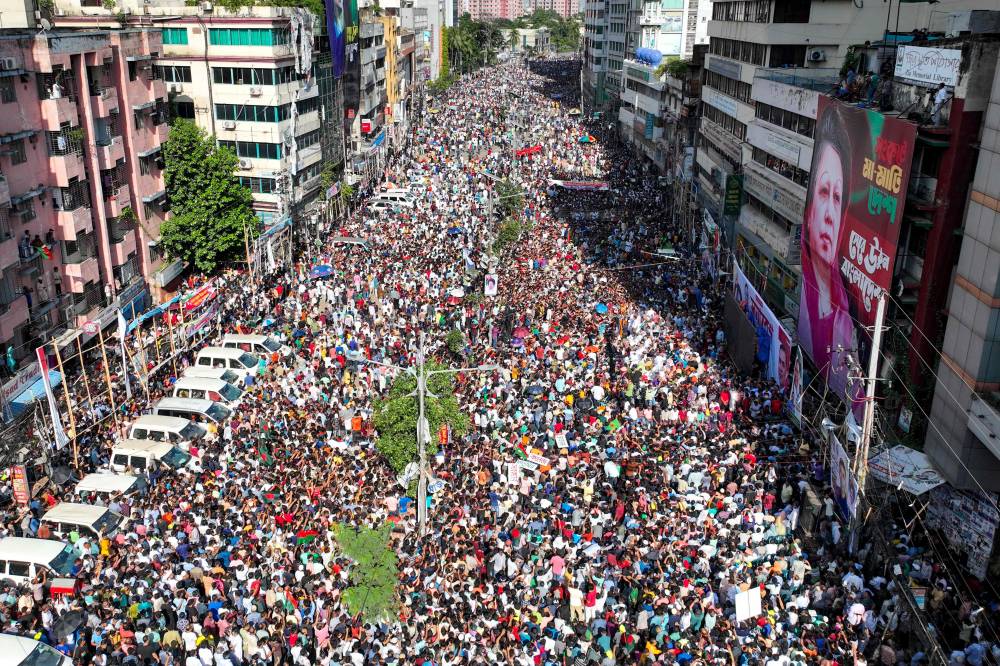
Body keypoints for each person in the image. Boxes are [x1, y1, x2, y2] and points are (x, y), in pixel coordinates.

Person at [798, 101, 858, 404]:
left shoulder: (847, 331)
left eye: (838, 197)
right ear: (809, 211)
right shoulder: (804, 310)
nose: (830, 213)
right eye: (823, 192)